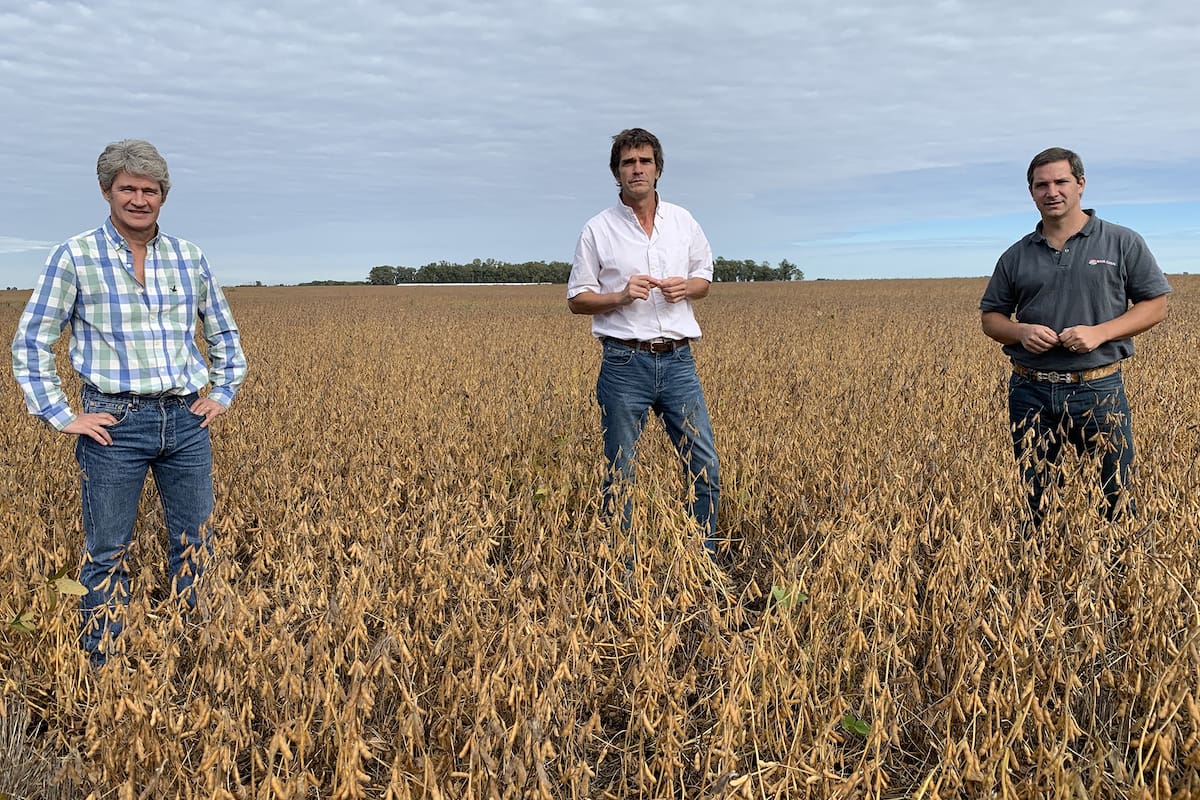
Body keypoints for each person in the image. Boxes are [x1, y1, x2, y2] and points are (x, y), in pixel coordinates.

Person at [11, 139, 247, 664]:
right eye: (128, 188)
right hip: (114, 423)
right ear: (106, 192)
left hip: (186, 419)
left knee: (195, 543)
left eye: (150, 189)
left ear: (163, 195)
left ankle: (197, 653)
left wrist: (224, 391)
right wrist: (62, 415)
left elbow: (224, 331)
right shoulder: (74, 256)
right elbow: (31, 342)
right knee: (108, 551)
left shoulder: (190, 257)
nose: (139, 199)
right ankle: (104, 664)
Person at [980, 146, 1170, 529]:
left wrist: (1100, 333)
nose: (1052, 191)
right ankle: (1044, 570)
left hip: (1098, 389)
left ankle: (1116, 572)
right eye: (1041, 185)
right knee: (1037, 496)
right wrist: (1021, 331)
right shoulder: (1015, 256)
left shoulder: (1122, 242)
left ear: (1080, 184)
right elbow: (991, 319)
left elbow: (1156, 304)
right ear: (1031, 193)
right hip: (1029, 390)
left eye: (1061, 181)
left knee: (1114, 493)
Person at [567, 128, 720, 555]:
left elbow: (704, 278)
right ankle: (622, 570)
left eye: (644, 161)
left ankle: (700, 560)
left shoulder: (683, 221)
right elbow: (577, 299)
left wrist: (685, 288)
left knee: (703, 465)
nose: (637, 169)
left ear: (658, 169)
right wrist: (619, 295)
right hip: (623, 364)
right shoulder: (597, 230)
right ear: (616, 173)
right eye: (628, 163)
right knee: (620, 472)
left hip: (678, 363)